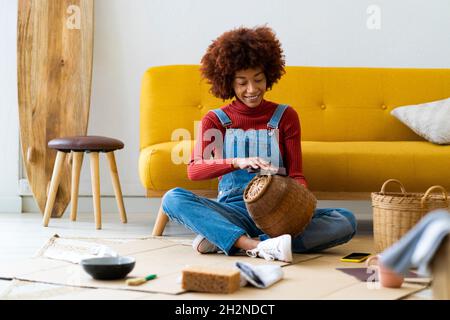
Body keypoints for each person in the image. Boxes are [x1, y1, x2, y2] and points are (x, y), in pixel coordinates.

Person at [161, 26, 357, 262]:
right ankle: (254, 244)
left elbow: (296, 174)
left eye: (258, 80)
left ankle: (231, 239)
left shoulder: (286, 116)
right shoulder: (215, 119)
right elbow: (194, 169)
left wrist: (299, 200)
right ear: (229, 83)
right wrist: (236, 161)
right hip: (233, 211)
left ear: (268, 76)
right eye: (242, 83)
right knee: (172, 198)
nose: (252, 90)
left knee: (345, 220)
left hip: (279, 212)